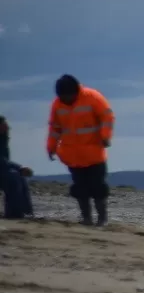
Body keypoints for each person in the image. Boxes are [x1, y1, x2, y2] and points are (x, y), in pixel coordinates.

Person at [46, 75, 114, 226]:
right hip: (73, 156)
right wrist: (51, 147)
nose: (66, 99)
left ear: (76, 91)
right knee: (80, 189)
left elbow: (107, 117)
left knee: (98, 187)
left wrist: (105, 136)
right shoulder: (57, 105)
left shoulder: (93, 97)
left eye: (68, 95)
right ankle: (86, 218)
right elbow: (54, 129)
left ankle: (102, 219)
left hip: (94, 154)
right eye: (62, 96)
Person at [1, 116, 35, 220]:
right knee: (13, 178)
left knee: (19, 177)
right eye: (3, 125)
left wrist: (19, 169)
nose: (7, 127)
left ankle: (24, 211)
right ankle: (13, 214)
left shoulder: (3, 139)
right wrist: (19, 168)